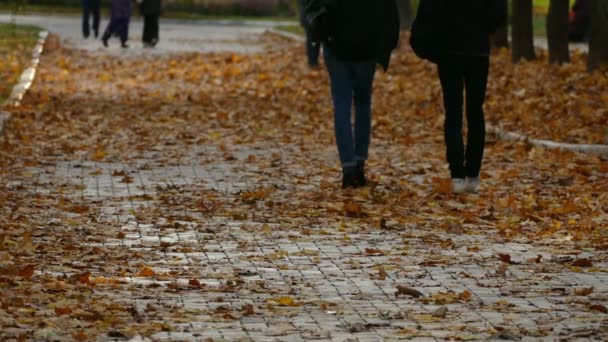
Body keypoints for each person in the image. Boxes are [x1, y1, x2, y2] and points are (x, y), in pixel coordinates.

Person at [322, 0, 400, 188]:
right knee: (363, 105)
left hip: (337, 47)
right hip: (367, 50)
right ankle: (359, 162)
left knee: (341, 106)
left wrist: (321, 34)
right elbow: (390, 15)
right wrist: (385, 49)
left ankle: (347, 167)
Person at [434, 0, 507, 193]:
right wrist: (485, 26)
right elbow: (499, 11)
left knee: (453, 111)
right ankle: (473, 173)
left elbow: (432, 10)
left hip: (450, 50)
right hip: (478, 50)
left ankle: (457, 174)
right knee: (475, 110)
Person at [298, 0, 321, 67]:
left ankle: (313, 60)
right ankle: (312, 61)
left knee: (315, 39)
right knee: (312, 39)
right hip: (310, 15)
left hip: (312, 15)